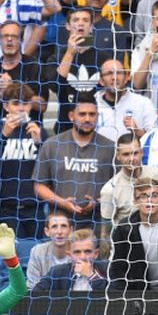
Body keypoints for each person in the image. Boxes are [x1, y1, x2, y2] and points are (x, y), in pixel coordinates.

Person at [33, 92, 115, 228]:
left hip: (98, 223)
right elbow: (39, 186)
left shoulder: (110, 147)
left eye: (92, 114)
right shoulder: (52, 144)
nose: (87, 119)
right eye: (82, 114)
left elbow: (118, 186)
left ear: (97, 116)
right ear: (71, 116)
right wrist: (62, 202)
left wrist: (98, 201)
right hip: (60, 225)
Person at [0, 83, 47, 239]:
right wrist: (4, 136)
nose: (21, 108)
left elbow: (49, 167)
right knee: (10, 253)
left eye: (25, 103)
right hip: (5, 206)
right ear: (6, 106)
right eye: (16, 103)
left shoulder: (38, 130)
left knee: (35, 250)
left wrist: (40, 143)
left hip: (34, 206)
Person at [100, 133, 158, 231]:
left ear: (142, 152)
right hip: (127, 241)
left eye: (135, 153)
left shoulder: (157, 174)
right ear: (118, 156)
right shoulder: (110, 190)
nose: (131, 159)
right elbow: (106, 231)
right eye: (126, 154)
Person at [95, 58, 157, 141]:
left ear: (127, 77)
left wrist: (137, 132)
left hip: (132, 153)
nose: (114, 77)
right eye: (109, 73)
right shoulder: (92, 103)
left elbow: (156, 139)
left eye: (119, 73)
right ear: (101, 81)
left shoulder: (143, 103)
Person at [33, 229, 108, 291]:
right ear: (69, 255)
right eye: (77, 252)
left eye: (87, 251)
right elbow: (34, 295)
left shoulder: (107, 270)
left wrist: (91, 276)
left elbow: (112, 297)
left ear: (96, 254)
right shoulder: (57, 273)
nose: (82, 257)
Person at [26, 211, 73, 289]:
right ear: (47, 231)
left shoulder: (79, 251)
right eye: (54, 226)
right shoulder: (37, 251)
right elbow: (32, 287)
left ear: (71, 230)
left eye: (63, 226)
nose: (59, 232)